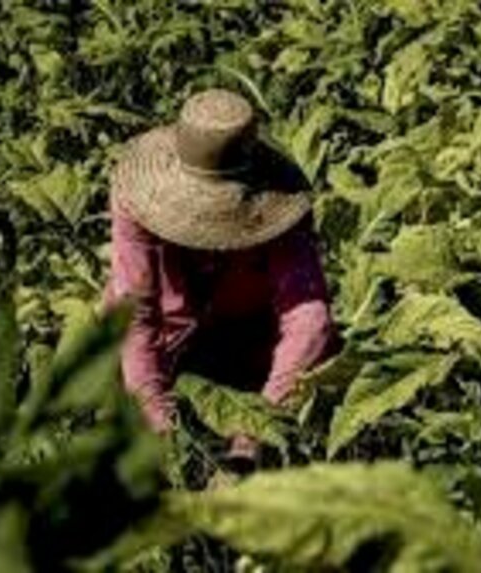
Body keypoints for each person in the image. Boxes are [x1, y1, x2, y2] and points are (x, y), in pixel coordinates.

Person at [102, 88, 336, 465]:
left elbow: (310, 319)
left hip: (249, 336)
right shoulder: (135, 199)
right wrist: (161, 426)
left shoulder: (284, 204)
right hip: (164, 337)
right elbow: (135, 314)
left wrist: (259, 427)